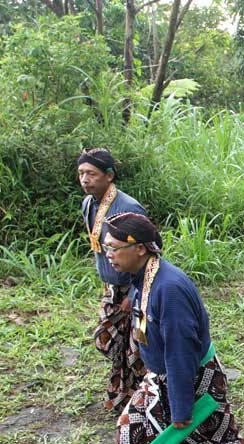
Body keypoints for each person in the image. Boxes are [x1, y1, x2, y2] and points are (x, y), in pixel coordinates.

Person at [99, 213, 244, 444]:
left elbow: (180, 351)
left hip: (192, 377)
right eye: (105, 247)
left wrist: (181, 407)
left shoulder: (169, 289)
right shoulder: (143, 277)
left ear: (140, 249)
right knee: (133, 426)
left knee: (221, 437)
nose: (109, 255)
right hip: (164, 375)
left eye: (114, 248)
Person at [77, 148, 149, 411]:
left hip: (134, 289)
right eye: (81, 173)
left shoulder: (127, 207)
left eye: (92, 174)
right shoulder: (88, 204)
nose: (85, 179)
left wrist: (134, 294)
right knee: (111, 342)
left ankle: (148, 402)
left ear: (109, 175)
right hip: (111, 288)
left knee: (138, 349)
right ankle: (125, 398)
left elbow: (148, 253)